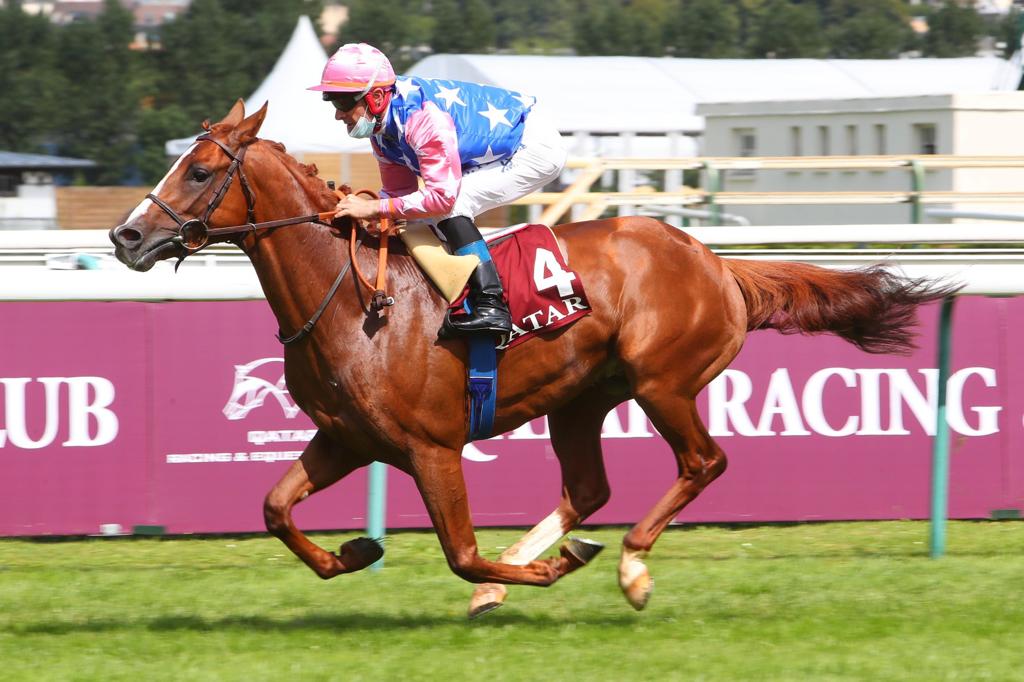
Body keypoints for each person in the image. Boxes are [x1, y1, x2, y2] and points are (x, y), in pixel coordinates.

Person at [309, 43, 567, 338]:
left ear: (377, 96)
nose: (338, 115)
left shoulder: (423, 119)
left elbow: (441, 199)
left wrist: (371, 208)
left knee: (453, 205)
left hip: (532, 146)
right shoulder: (381, 130)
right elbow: (398, 194)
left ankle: (491, 304)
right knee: (415, 218)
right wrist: (362, 212)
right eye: (333, 102)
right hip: (498, 146)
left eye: (343, 103)